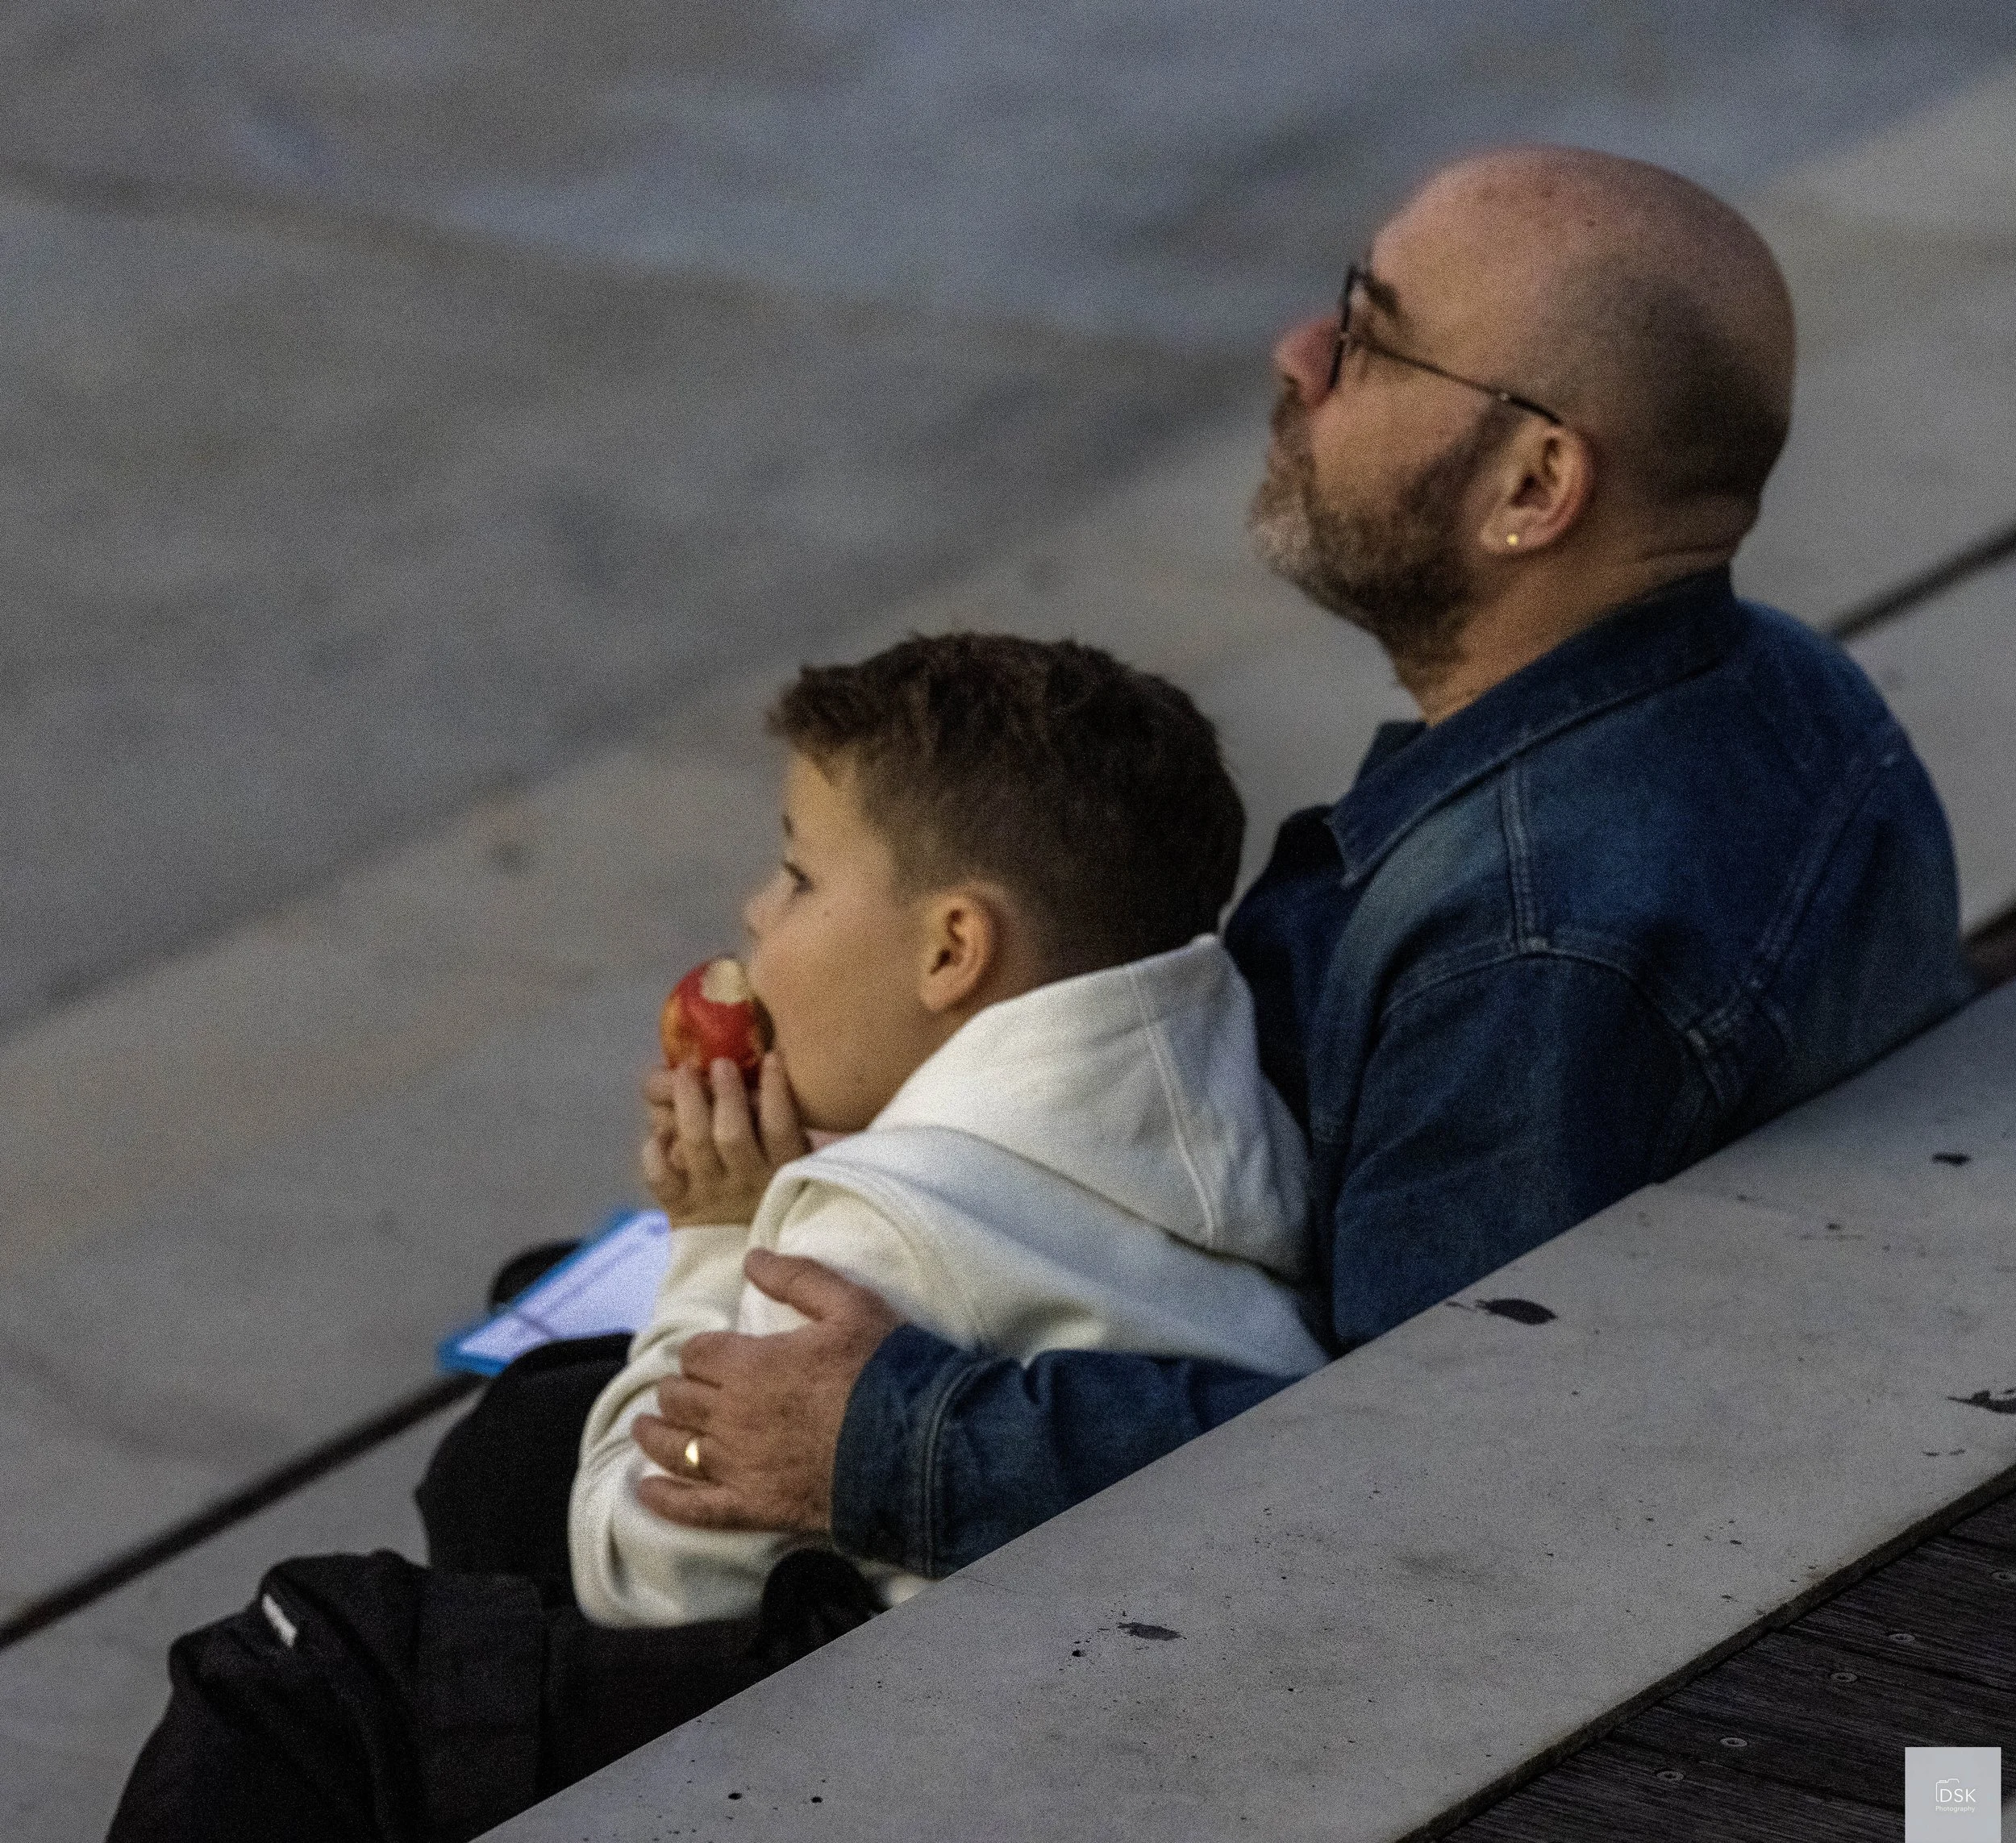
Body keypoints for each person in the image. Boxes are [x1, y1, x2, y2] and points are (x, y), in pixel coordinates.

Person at [622, 146, 1977, 1580]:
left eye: (1371, 337)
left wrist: (888, 1439)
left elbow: (1407, 1464)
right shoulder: (1785, 690)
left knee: (495, 1502)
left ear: (1534, 484)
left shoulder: (1532, 944)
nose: (1299, 352)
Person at [569, 633, 1327, 1628]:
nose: (756, 912)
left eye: (798, 876)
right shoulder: (1246, 1096)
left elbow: (629, 1564)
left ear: (953, 949)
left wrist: (718, 1237)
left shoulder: (871, 1236)